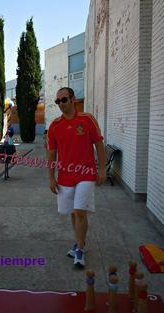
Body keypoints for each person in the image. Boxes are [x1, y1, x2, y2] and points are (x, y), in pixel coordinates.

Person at [47, 87, 106, 268]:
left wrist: (102, 168)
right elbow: (51, 153)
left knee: (80, 211)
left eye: (64, 100)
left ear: (73, 100)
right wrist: (51, 177)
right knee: (73, 212)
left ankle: (79, 250)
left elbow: (98, 144)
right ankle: (81, 242)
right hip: (65, 176)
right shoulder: (55, 126)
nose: (61, 104)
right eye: (57, 102)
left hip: (86, 173)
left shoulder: (87, 119)